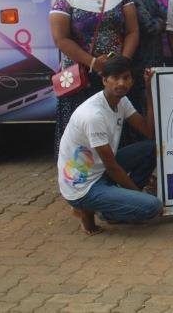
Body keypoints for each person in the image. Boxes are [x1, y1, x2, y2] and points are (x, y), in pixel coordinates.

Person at [50, 0, 138, 155]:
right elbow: (61, 40)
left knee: (115, 129)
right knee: (82, 134)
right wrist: (93, 63)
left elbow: (132, 31)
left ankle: (116, 170)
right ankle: (80, 174)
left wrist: (121, 64)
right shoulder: (65, 1)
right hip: (81, 80)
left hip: (114, 80)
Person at [58, 55, 161, 235]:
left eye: (126, 78)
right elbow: (112, 167)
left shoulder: (121, 101)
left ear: (132, 80)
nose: (121, 83)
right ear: (104, 80)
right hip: (84, 187)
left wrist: (149, 90)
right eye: (115, 78)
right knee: (152, 206)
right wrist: (139, 196)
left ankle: (114, 203)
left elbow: (149, 132)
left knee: (152, 148)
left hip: (100, 171)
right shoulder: (94, 115)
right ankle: (101, 210)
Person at [119, 0, 166, 143]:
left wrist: (160, 21)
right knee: (143, 110)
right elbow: (151, 26)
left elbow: (162, 17)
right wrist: (160, 22)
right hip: (140, 63)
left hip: (151, 60)